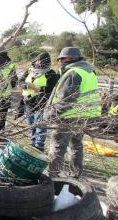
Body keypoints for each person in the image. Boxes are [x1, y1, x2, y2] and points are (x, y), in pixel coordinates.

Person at [45, 47, 101, 177]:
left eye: (63, 59)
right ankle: (76, 175)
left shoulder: (73, 73)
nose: (61, 62)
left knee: (58, 146)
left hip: (68, 116)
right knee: (76, 145)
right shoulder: (89, 72)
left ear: (70, 59)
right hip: (85, 116)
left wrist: (51, 115)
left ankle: (52, 176)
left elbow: (65, 100)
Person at [20, 52, 59, 151]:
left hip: (42, 104)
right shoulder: (29, 71)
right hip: (28, 102)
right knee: (31, 124)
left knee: (40, 125)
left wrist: (40, 89)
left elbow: (53, 88)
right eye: (38, 60)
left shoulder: (51, 73)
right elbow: (20, 82)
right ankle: (33, 142)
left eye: (42, 61)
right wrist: (27, 86)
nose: (39, 63)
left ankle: (39, 145)